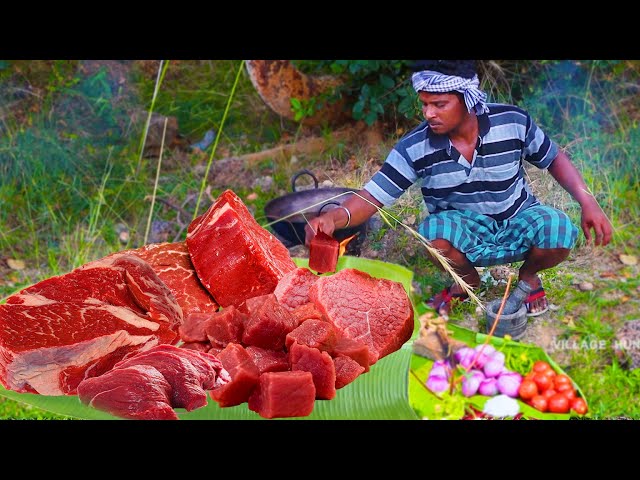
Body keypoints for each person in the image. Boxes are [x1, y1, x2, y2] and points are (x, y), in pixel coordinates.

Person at [305, 60, 613, 318]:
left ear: (468, 100)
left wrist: (588, 201)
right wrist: (335, 217)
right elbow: (373, 196)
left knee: (558, 228)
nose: (428, 114)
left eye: (439, 104)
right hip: (462, 232)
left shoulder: (513, 122)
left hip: (518, 219)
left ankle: (529, 277)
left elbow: (554, 158)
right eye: (424, 104)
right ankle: (466, 281)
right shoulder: (415, 146)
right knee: (431, 232)